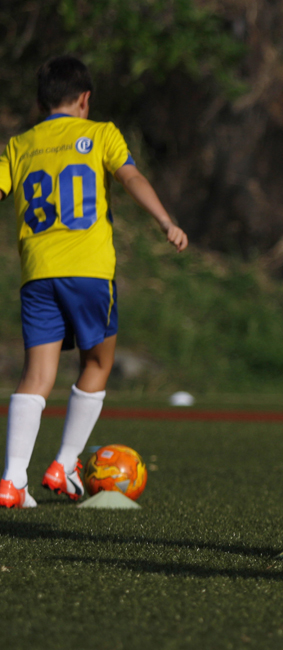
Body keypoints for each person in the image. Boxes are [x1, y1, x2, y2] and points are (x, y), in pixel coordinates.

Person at [0, 55, 187, 509]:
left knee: (37, 375)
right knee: (97, 364)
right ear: (85, 99)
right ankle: (63, 465)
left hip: (38, 272)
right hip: (88, 270)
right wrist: (165, 221)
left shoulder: (18, 145)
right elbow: (131, 177)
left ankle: (11, 480)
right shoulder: (100, 133)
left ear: (40, 101)